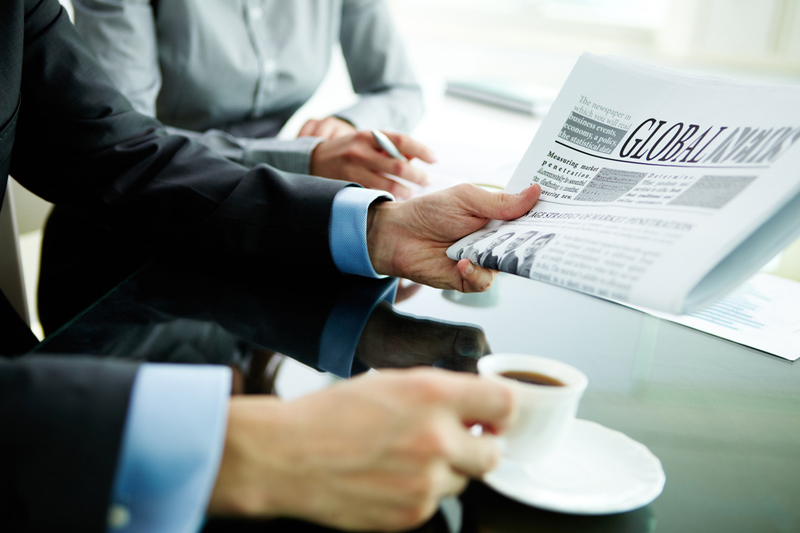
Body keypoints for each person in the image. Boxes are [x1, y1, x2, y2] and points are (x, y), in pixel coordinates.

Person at [1, 1, 542, 530]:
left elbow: (112, 147)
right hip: (109, 288)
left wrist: (378, 229)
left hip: (233, 226)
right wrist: (241, 452)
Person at [38, 0, 437, 333]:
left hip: (274, 220)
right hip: (129, 234)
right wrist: (303, 157)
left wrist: (345, 128)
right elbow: (124, 140)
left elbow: (399, 88)